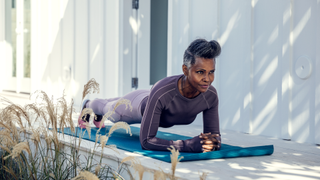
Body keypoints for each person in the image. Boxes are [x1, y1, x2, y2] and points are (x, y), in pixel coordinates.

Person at [78, 39, 221, 153]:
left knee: (113, 102)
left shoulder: (210, 96)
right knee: (108, 109)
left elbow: (215, 138)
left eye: (211, 72)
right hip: (135, 106)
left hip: (152, 97)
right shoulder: (163, 92)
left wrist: (211, 142)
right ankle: (88, 105)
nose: (207, 79)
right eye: (200, 72)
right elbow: (146, 141)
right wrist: (188, 145)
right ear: (185, 69)